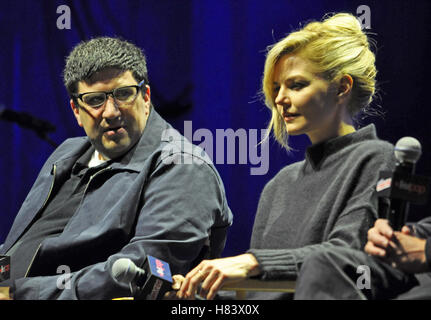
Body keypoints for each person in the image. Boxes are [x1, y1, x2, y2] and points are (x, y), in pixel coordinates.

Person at [177, 13, 396, 300]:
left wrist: (254, 262)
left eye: (296, 85)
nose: (279, 98)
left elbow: (348, 257)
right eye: (276, 87)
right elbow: (258, 296)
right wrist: (201, 295)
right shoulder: (279, 185)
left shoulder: (376, 157)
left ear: (342, 87)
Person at [0, 37, 233, 300]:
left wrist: (18, 293)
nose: (111, 112)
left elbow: (139, 273)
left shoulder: (182, 165)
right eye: (95, 100)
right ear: (76, 110)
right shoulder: (67, 153)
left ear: (145, 97)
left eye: (123, 94)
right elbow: (23, 247)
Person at [293, 217, 431, 299]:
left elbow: (346, 240)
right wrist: (391, 237)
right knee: (324, 265)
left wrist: (425, 250)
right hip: (407, 272)